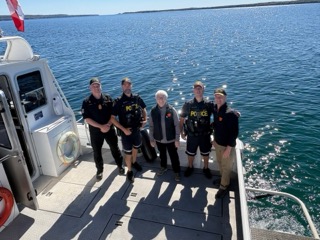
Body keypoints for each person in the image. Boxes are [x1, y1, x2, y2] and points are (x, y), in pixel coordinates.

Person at [81, 77, 124, 181]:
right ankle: (99, 170)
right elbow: (87, 119)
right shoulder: (86, 102)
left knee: (115, 149)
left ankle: (120, 166)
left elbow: (113, 115)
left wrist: (108, 125)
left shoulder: (108, 99)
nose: (96, 88)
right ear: (89, 88)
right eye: (93, 86)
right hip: (95, 132)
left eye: (98, 85)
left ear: (101, 86)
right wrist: (101, 127)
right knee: (97, 152)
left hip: (109, 129)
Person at [111, 77, 147, 183]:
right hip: (126, 132)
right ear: (122, 86)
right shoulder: (118, 101)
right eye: (125, 85)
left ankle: (134, 162)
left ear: (131, 85)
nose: (127, 86)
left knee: (136, 147)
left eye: (129, 84)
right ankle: (129, 171)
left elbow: (144, 108)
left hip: (137, 130)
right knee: (128, 152)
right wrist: (124, 129)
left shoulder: (137, 98)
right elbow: (112, 118)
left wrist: (144, 120)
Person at [179, 80, 213, 179]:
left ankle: (206, 168)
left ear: (203, 90)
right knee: (190, 153)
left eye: (200, 88)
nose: (198, 90)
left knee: (206, 153)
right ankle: (190, 167)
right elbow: (181, 120)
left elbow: (219, 113)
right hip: (191, 135)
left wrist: (232, 112)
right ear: (193, 90)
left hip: (205, 135)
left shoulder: (209, 104)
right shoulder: (188, 105)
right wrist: (181, 132)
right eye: (196, 88)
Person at [212, 88, 239, 199]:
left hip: (226, 146)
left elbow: (234, 133)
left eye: (221, 97)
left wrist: (229, 148)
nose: (219, 98)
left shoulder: (230, 113)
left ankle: (224, 186)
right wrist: (214, 139)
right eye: (217, 96)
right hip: (217, 143)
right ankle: (224, 179)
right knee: (219, 162)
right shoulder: (215, 109)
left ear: (225, 97)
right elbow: (216, 126)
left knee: (226, 166)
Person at [149, 90, 181, 182]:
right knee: (162, 155)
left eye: (163, 97)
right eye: (159, 97)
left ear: (166, 99)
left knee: (174, 157)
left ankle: (177, 172)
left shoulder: (172, 110)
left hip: (171, 140)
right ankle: (163, 167)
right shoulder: (153, 111)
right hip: (159, 140)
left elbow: (176, 125)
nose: (161, 99)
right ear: (156, 99)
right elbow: (151, 126)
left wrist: (177, 139)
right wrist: (151, 139)